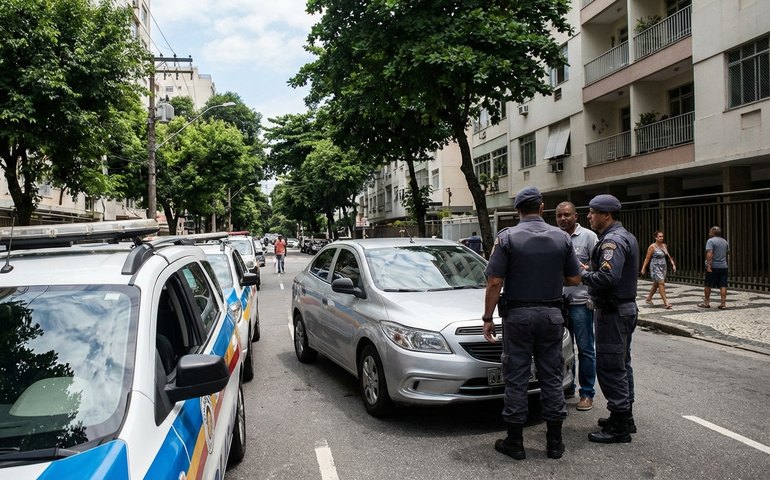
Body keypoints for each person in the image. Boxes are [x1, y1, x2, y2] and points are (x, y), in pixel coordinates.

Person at [482, 187, 581, 460]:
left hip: (519, 316)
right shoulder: (562, 238)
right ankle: (555, 443)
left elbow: (494, 282)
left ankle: (515, 442)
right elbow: (574, 279)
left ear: (517, 211)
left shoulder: (507, 238)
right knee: (552, 377)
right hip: (551, 316)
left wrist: (488, 317)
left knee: (516, 377)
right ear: (541, 207)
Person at [580, 194, 639, 443]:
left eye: (593, 212)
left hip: (613, 312)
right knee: (622, 363)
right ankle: (625, 417)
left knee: (611, 366)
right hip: (622, 309)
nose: (589, 216)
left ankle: (619, 427)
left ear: (607, 215)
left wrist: (582, 276)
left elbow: (607, 278)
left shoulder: (612, 241)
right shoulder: (623, 235)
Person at [555, 201, 598, 412]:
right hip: (558, 302)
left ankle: (587, 393)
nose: (563, 219)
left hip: (581, 302)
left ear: (576, 216)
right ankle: (568, 386)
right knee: (563, 349)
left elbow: (599, 268)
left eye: (567, 215)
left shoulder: (589, 237)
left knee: (585, 349)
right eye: (559, 215)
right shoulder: (554, 237)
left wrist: (585, 270)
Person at [640, 231, 676, 309]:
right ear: (655, 237)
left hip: (663, 267)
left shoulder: (664, 246)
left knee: (656, 284)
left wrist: (673, 264)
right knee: (661, 283)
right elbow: (647, 258)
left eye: (662, 236)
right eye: (659, 236)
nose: (661, 238)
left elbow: (668, 256)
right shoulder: (652, 246)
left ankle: (649, 299)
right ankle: (666, 303)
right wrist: (643, 267)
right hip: (655, 267)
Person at [699, 226, 729, 309]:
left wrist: (708, 265)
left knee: (708, 284)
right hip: (723, 266)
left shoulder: (711, 241)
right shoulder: (725, 241)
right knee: (723, 284)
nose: (709, 231)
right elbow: (726, 253)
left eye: (710, 230)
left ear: (713, 232)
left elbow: (710, 253)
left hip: (713, 266)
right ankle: (723, 303)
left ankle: (706, 302)